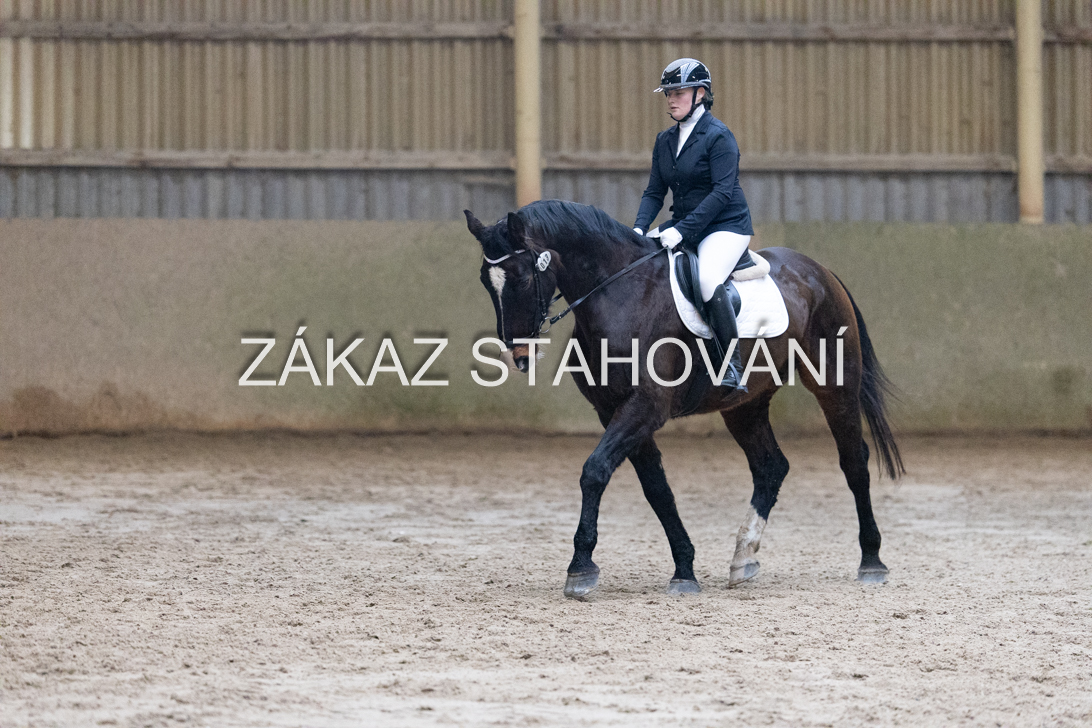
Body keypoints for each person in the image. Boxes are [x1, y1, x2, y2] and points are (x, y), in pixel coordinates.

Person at [633, 58, 754, 390]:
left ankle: (732, 366)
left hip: (725, 226)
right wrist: (639, 230)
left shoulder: (719, 137)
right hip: (682, 224)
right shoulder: (665, 140)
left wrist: (681, 230)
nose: (671, 100)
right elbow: (654, 192)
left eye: (679, 93)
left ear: (700, 94)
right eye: (668, 93)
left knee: (708, 279)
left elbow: (722, 193)